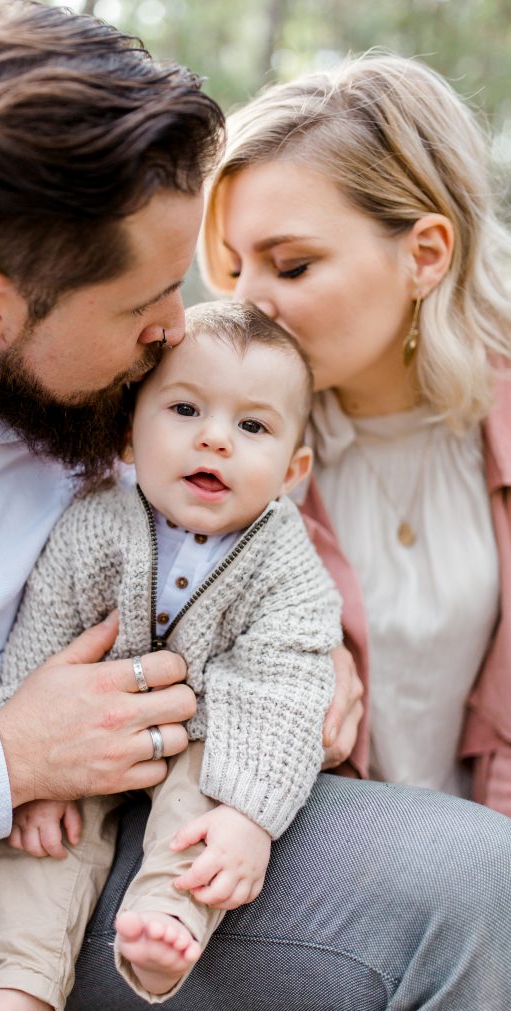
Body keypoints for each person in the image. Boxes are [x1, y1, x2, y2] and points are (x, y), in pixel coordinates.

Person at [0, 0, 510, 1011]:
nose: (176, 331)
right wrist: (3, 761)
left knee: (472, 881)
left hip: (135, 849)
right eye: (147, 300)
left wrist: (305, 639)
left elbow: (242, 550)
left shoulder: (124, 394)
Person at [0, 300, 342, 1011]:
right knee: (44, 843)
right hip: (86, 728)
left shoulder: (287, 569)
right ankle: (20, 986)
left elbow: (284, 691)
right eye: (186, 410)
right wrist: (37, 777)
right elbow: (44, 640)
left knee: (205, 822)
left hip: (207, 734)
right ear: (128, 435)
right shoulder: (94, 524)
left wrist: (250, 815)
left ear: (292, 469)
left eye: (251, 426)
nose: (216, 440)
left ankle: (165, 926)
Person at [199, 51, 511, 806]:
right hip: (312, 888)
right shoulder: (215, 446)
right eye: (236, 269)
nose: (249, 304)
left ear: (425, 256)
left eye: (292, 266)